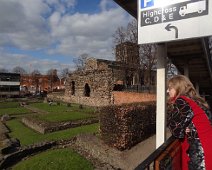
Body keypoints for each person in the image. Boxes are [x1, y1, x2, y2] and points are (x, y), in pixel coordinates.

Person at [167, 75, 212, 170]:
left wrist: (182, 129)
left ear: (177, 88)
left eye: (170, 88)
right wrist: (185, 128)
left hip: (201, 150)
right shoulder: (196, 100)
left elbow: (175, 129)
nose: (167, 91)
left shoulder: (181, 101)